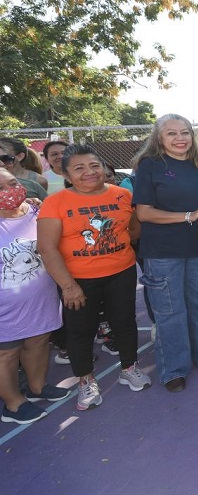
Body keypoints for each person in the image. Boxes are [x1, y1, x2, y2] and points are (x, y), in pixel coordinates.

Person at [37, 144, 150, 410]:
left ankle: (129, 368)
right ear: (66, 174)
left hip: (121, 273)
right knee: (80, 331)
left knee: (124, 323)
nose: (89, 172)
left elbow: (133, 231)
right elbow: (46, 248)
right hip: (78, 280)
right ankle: (86, 380)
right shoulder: (55, 202)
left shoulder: (122, 195)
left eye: (94, 165)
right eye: (79, 168)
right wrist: (68, 286)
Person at [132, 114, 198, 393]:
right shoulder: (149, 165)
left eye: (185, 132)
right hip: (163, 253)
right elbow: (144, 213)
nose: (180, 138)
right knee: (171, 311)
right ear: (158, 137)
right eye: (171, 133)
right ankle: (173, 369)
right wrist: (188, 216)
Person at [0, 169, 66, 424]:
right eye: (1, 188)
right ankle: (13, 403)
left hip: (42, 297)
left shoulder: (37, 211)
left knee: (38, 342)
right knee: (6, 353)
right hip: (6, 307)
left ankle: (37, 388)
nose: (10, 190)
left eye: (12, 183)